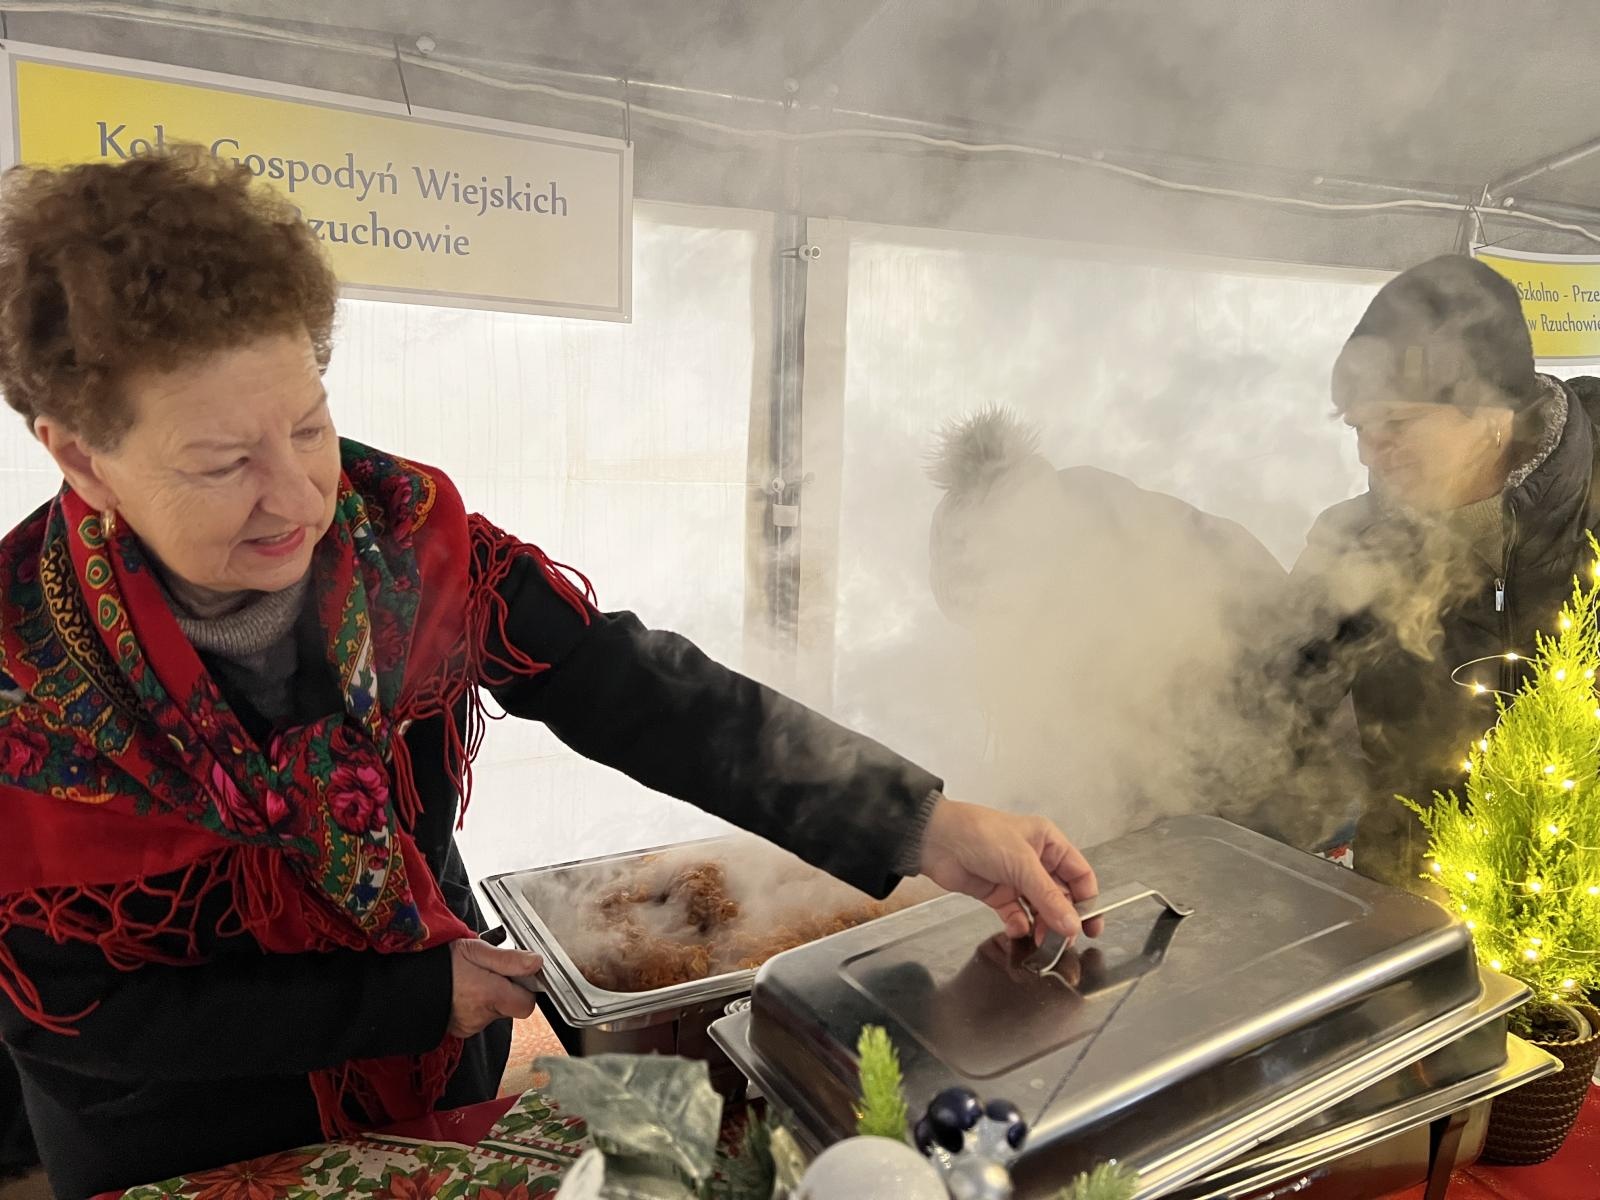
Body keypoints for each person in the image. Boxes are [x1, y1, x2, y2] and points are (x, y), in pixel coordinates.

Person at [0, 151, 1100, 1200]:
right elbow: (73, 1013)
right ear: (81, 455)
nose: (296, 498)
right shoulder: (25, 692)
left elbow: (628, 683)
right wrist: (407, 998)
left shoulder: (405, 537)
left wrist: (918, 820)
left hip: (435, 1060)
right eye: (223, 462)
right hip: (188, 1131)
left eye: (308, 426)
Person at [1283, 254, 1600, 887]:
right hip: (1417, 900)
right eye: (1360, 426)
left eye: (1398, 422)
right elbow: (1274, 707)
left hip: (1580, 906)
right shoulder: (1352, 542)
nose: (1373, 452)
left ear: (1491, 412)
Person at [925, 406, 1350, 853]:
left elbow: (1281, 691)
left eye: (1003, 613)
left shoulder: (1150, 564)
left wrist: (1312, 815)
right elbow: (1048, 733)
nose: (997, 634)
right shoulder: (1027, 587)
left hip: (1258, 781)